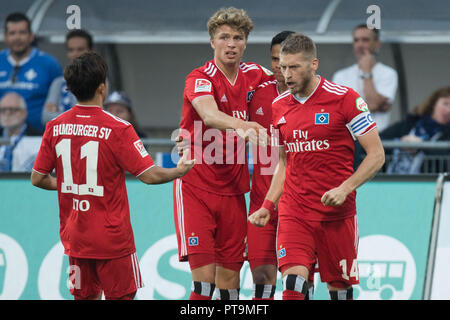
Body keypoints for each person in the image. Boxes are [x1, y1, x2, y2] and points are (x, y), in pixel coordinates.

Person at [30, 52, 195, 300]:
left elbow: (38, 178)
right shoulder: (118, 128)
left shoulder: (55, 126)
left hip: (76, 237)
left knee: (84, 297)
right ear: (102, 88)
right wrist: (179, 170)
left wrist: (70, 186)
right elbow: (149, 175)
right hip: (112, 239)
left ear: (72, 89)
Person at [249, 33, 385, 300]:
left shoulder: (345, 100)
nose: (286, 74)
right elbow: (285, 162)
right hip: (294, 212)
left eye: (294, 67)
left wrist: (345, 189)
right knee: (293, 286)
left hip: (337, 215)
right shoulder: (279, 106)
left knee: (340, 292)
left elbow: (376, 155)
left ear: (313, 64)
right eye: (283, 66)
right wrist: (268, 205)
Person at [173, 7, 272, 301]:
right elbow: (209, 113)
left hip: (233, 190)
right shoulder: (200, 77)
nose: (231, 44)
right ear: (212, 42)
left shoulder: (254, 74)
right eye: (224, 37)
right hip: (196, 186)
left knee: (230, 286)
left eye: (238, 38)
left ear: (245, 43)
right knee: (204, 285)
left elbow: (285, 75)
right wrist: (246, 126)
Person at [247, 30, 319, 300]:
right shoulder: (256, 92)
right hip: (262, 198)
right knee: (262, 276)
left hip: (299, 201)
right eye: (275, 60)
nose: (280, 68)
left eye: (286, 62)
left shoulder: (315, 98)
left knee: (300, 278)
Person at [0, 12, 62, 133]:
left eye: (22, 32)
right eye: (12, 33)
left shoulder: (49, 64)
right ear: (5, 37)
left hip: (38, 137)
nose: (17, 37)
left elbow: (60, 101)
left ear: (31, 36)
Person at [332, 24, 398, 132]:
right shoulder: (341, 75)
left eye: (365, 40)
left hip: (377, 137)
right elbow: (336, 111)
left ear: (377, 44)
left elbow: (373, 104)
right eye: (356, 40)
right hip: (348, 137)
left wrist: (366, 72)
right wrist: (375, 106)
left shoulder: (388, 73)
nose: (360, 45)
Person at [381, 86, 450, 174]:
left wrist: (422, 146)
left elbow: (446, 160)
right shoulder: (410, 123)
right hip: (391, 179)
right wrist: (400, 143)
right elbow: (380, 140)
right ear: (433, 104)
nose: (448, 110)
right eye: (445, 104)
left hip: (426, 183)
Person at [42, 29, 93, 126]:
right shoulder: (58, 83)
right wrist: (80, 116)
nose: (75, 54)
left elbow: (98, 118)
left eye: (80, 49)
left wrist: (60, 112)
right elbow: (46, 118)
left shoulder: (101, 82)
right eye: (71, 50)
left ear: (91, 51)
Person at [0, 92, 41, 172]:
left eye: (13, 110)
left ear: (24, 113)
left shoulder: (39, 138)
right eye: (3, 110)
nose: (7, 113)